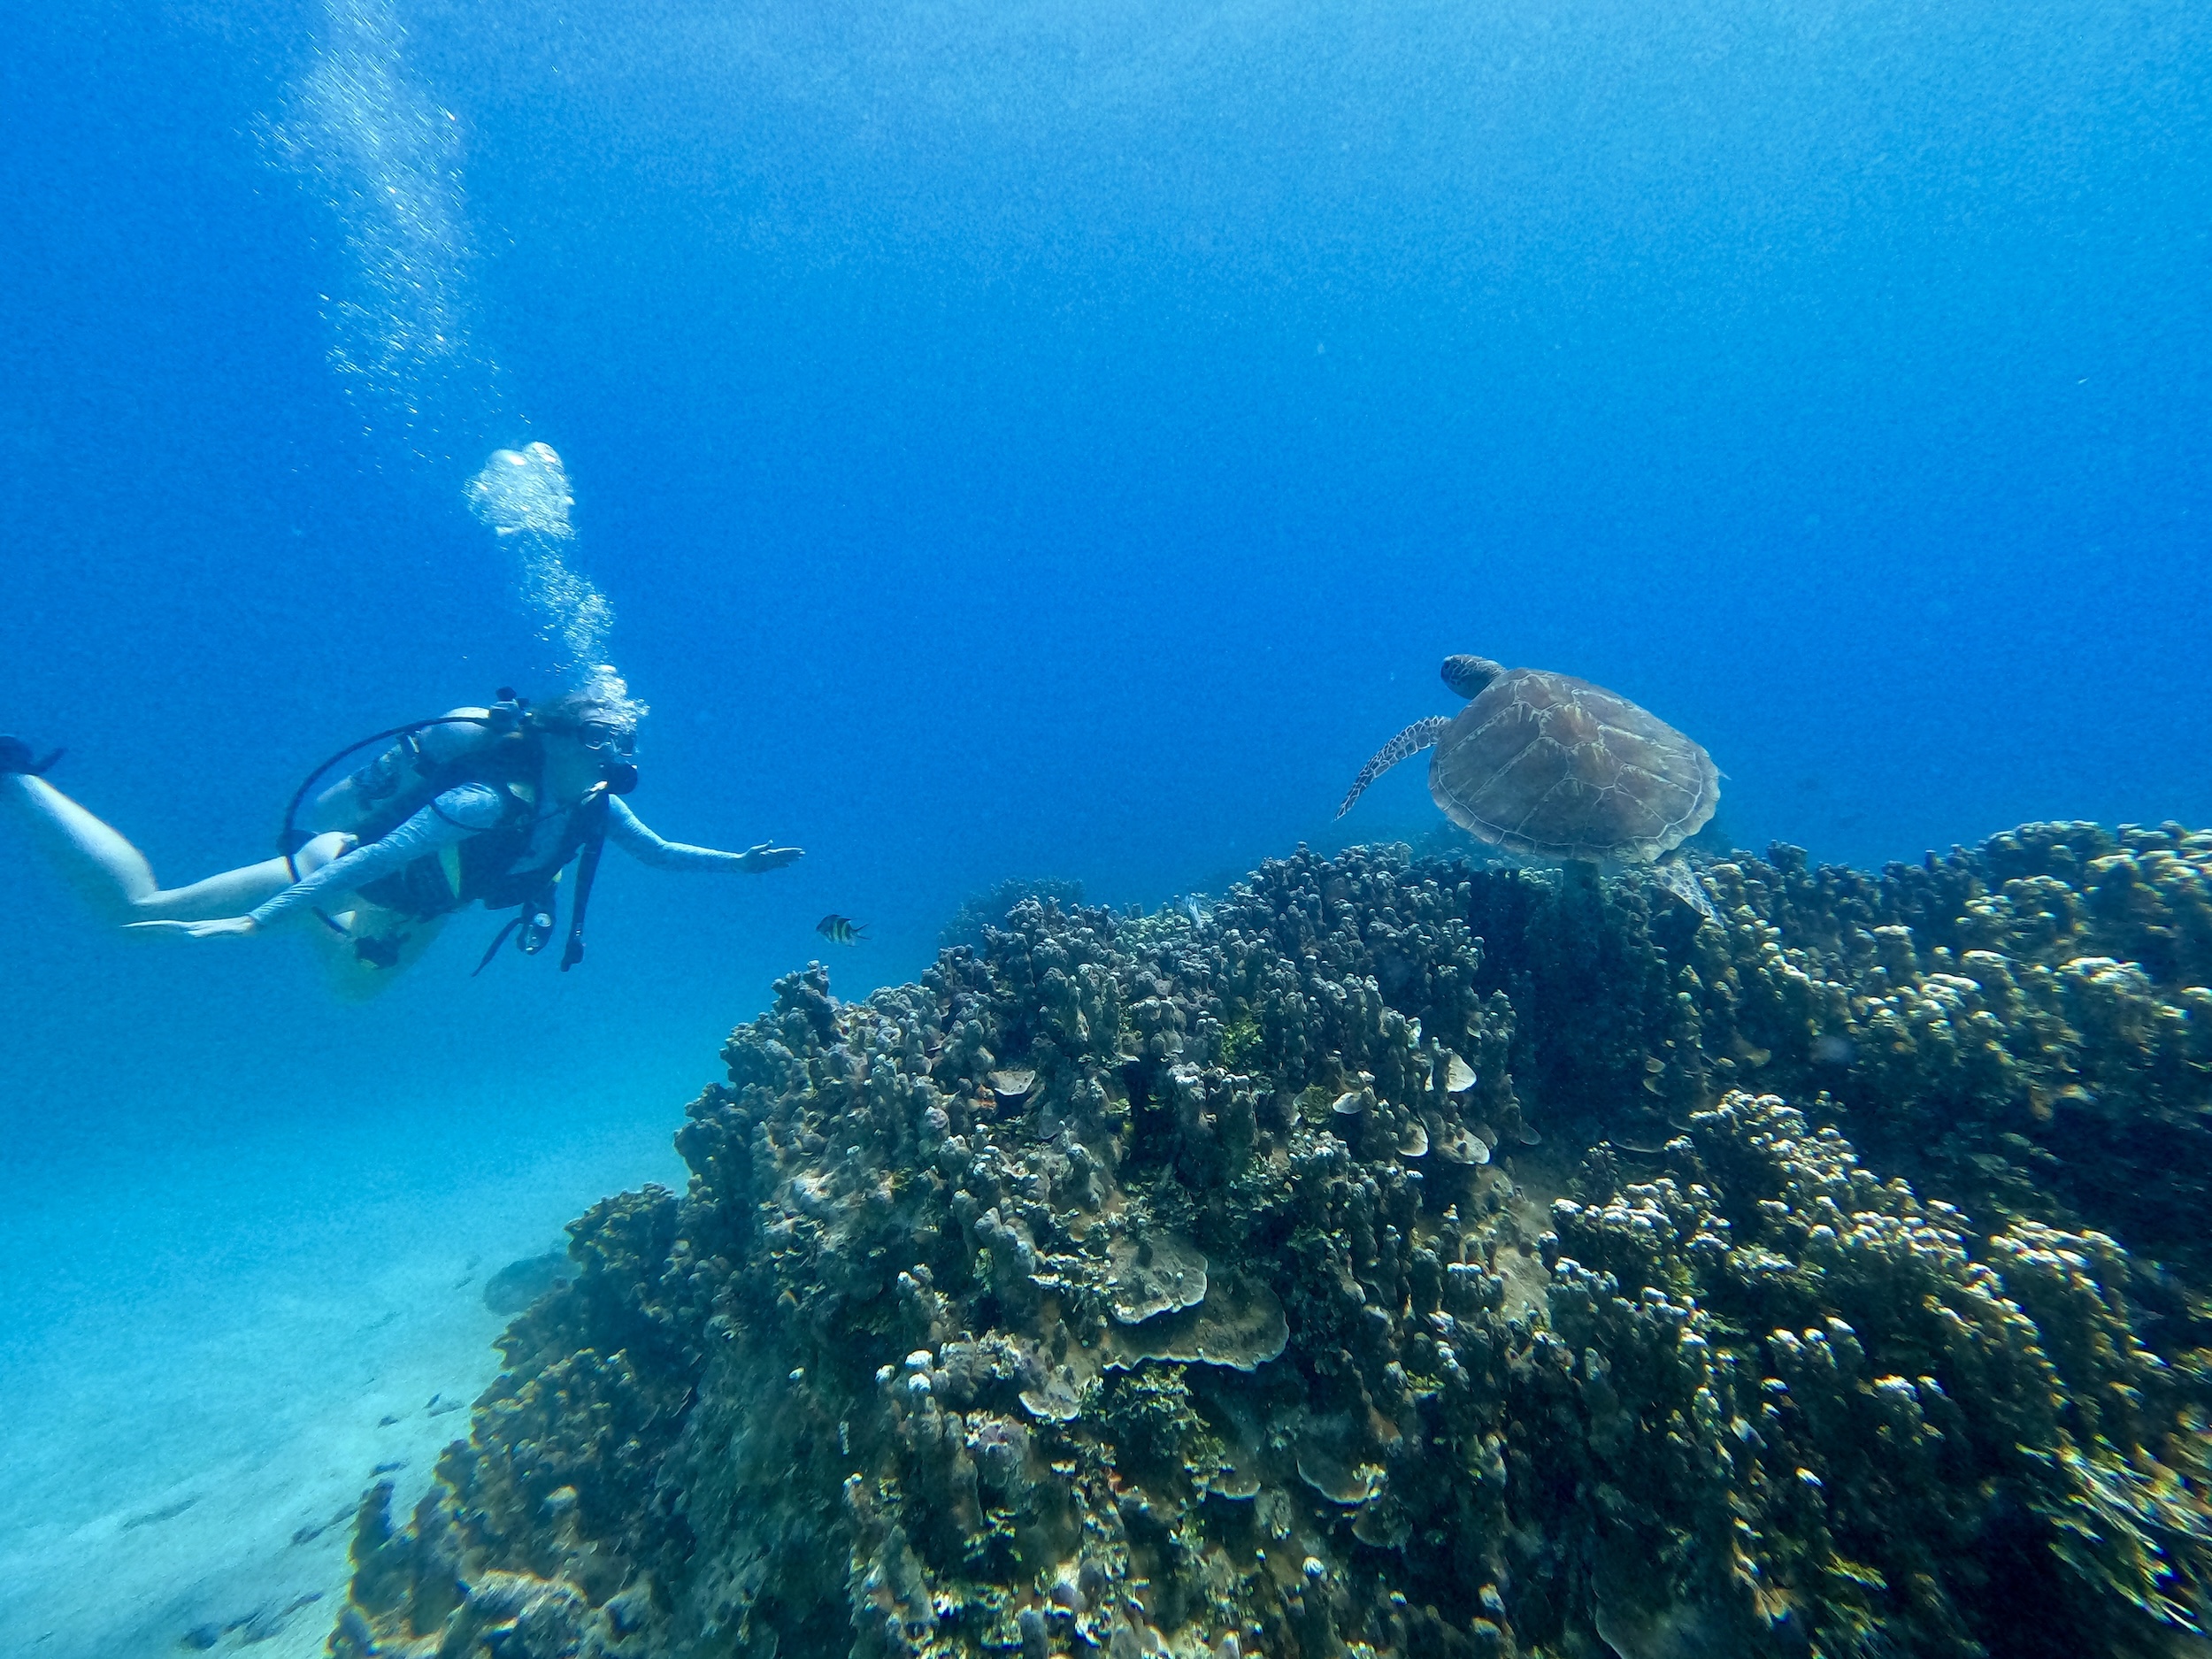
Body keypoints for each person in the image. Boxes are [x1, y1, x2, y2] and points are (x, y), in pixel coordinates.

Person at [0, 688, 801, 995]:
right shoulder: (485, 798)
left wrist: (741, 864)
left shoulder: (591, 803)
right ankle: (24, 778)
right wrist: (260, 921)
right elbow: (375, 856)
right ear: (557, 739)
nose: (617, 761)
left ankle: (333, 937)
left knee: (356, 994)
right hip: (338, 867)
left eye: (622, 748)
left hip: (420, 904)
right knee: (139, 910)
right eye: (603, 744)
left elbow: (658, 852)